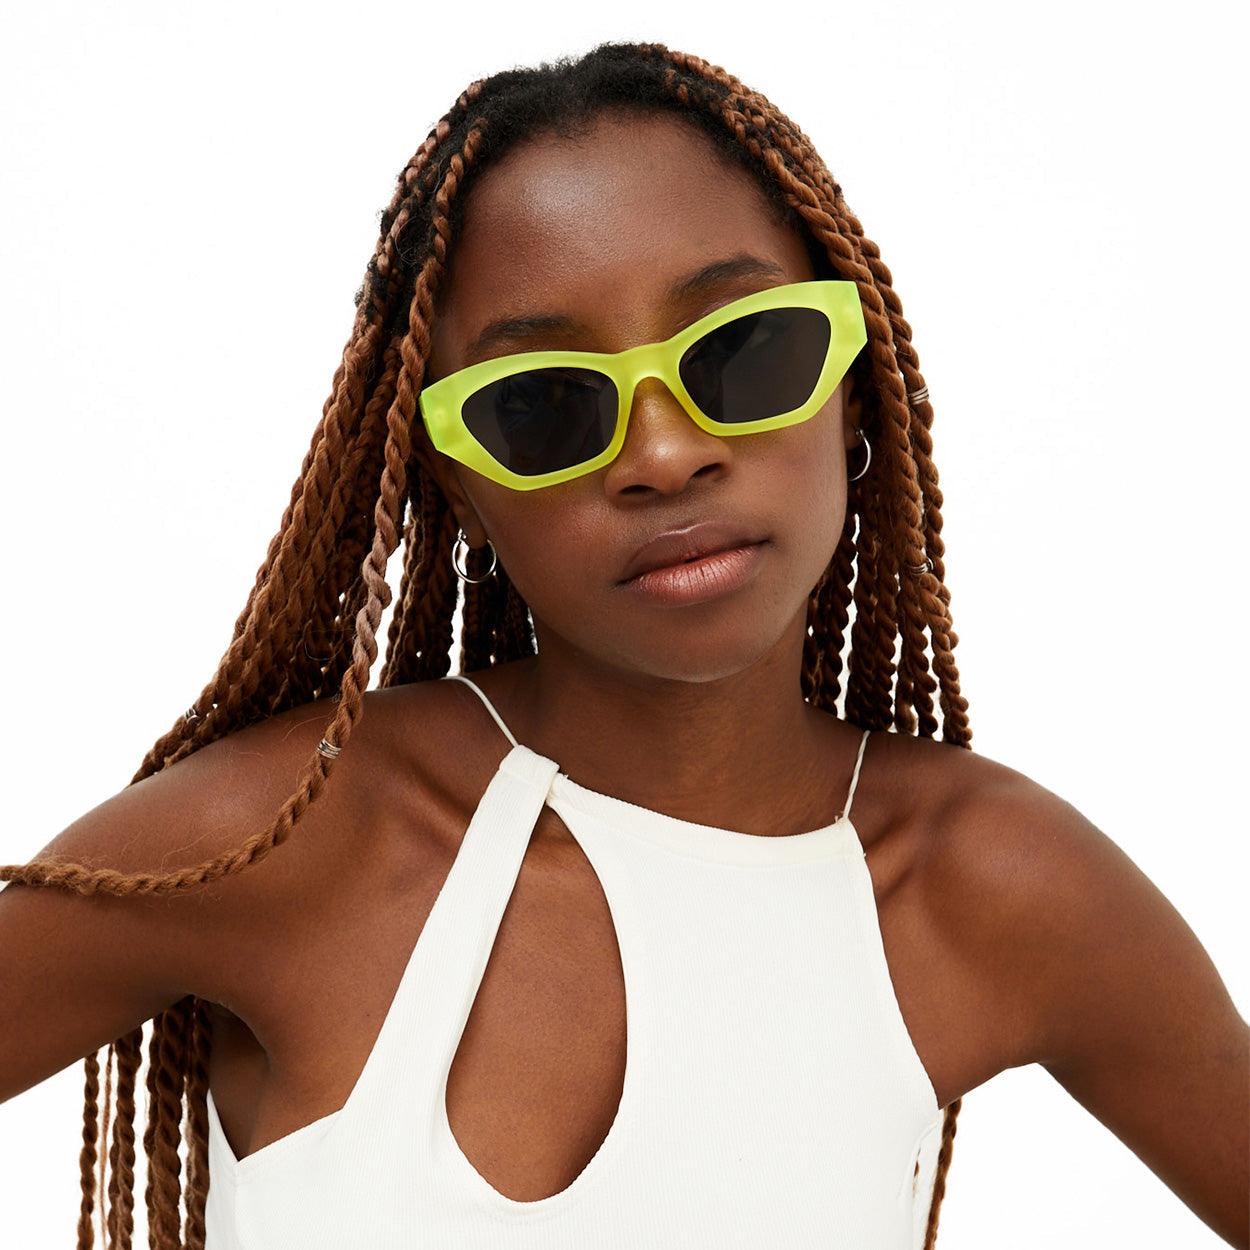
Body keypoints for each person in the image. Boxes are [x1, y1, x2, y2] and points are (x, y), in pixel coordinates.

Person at [1, 38, 1246, 1250]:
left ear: (850, 383)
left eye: (744, 350)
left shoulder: (986, 886)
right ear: (457, 484)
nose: (662, 452)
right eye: (543, 404)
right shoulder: (289, 841)